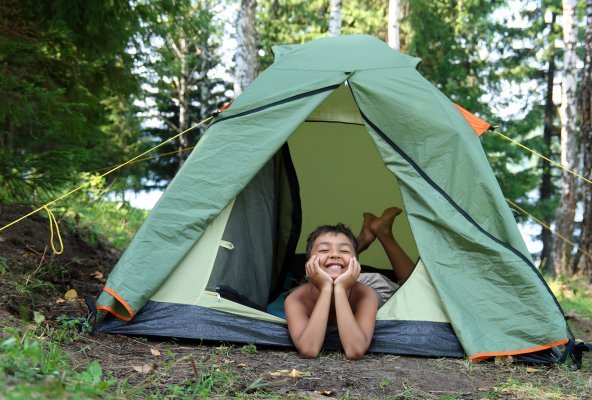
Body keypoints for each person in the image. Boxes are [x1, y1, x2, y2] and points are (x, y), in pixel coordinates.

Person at [284, 207, 415, 360]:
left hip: (365, 283)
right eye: (324, 249)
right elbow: (309, 349)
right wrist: (326, 287)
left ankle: (384, 233)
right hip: (318, 280)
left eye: (345, 251)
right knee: (320, 275)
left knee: (411, 286)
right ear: (308, 264)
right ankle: (364, 239)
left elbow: (355, 350)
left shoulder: (367, 294)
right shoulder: (296, 299)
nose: (334, 254)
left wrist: (339, 288)